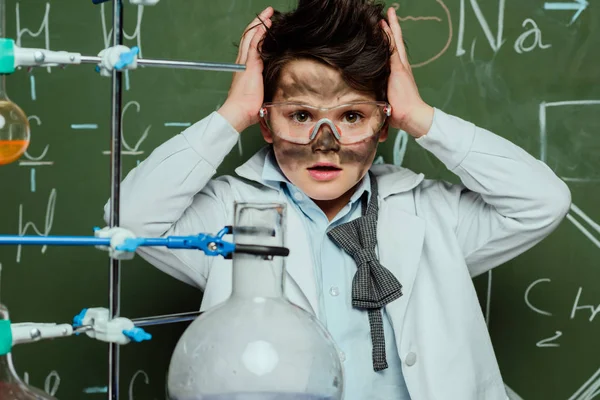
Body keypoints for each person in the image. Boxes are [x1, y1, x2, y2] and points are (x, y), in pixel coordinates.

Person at [104, 0, 571, 398]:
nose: (324, 142)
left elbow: (542, 201)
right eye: (301, 114)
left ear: (383, 124)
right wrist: (233, 112)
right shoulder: (231, 214)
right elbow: (128, 220)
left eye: (352, 116)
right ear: (265, 123)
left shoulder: (430, 214)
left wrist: (420, 116)